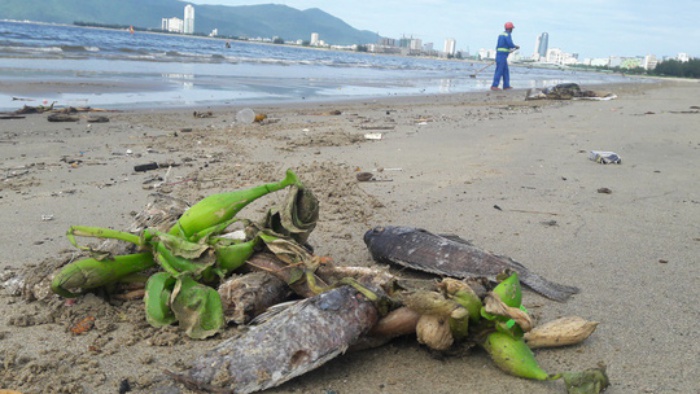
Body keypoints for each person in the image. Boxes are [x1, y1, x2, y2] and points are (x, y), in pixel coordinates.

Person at [491, 21, 520, 91]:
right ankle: (494, 86)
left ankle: (506, 86)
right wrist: (515, 46)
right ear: (510, 29)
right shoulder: (507, 35)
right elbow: (510, 44)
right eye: (512, 29)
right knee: (499, 70)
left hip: (501, 54)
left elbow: (502, 45)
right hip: (502, 55)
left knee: (505, 71)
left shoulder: (501, 34)